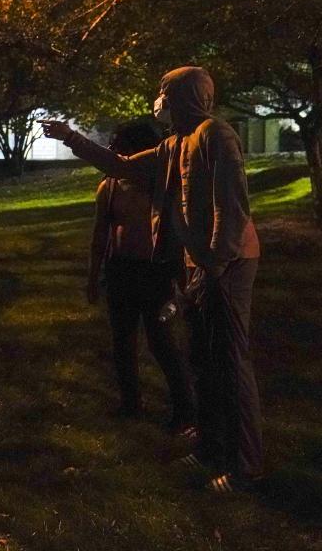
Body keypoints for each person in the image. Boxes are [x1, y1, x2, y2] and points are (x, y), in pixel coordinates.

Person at [42, 66, 263, 492]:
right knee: (202, 360)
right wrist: (71, 138)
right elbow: (119, 165)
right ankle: (211, 448)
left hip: (226, 265)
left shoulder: (215, 136)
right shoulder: (172, 145)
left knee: (230, 364)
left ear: (185, 95)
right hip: (198, 267)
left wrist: (214, 265)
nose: (158, 99)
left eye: (164, 91)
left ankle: (245, 465)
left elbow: (230, 207)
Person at [87, 122, 195, 433]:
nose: (112, 152)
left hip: (154, 273)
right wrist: (94, 275)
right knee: (123, 342)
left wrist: (182, 278)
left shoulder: (160, 186)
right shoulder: (108, 188)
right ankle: (131, 405)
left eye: (118, 146)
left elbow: (177, 233)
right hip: (120, 271)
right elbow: (100, 233)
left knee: (161, 342)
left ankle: (184, 410)